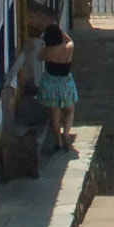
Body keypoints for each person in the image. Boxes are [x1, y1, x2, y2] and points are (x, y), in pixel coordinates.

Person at [39, 23, 78, 151]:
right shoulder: (69, 48)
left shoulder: (47, 51)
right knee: (69, 111)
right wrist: (61, 31)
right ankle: (66, 134)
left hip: (50, 84)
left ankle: (58, 143)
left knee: (54, 116)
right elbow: (70, 40)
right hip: (65, 82)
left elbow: (39, 57)